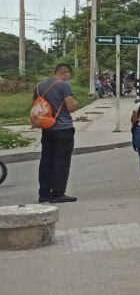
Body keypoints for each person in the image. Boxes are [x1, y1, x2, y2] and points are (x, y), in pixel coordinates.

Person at [35, 64, 79, 204]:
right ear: (65, 73)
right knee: (61, 161)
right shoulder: (64, 86)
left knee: (46, 160)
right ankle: (58, 193)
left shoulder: (39, 86)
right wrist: (75, 103)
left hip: (47, 128)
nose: (68, 78)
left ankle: (44, 193)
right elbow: (71, 107)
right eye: (68, 75)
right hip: (63, 128)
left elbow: (36, 106)